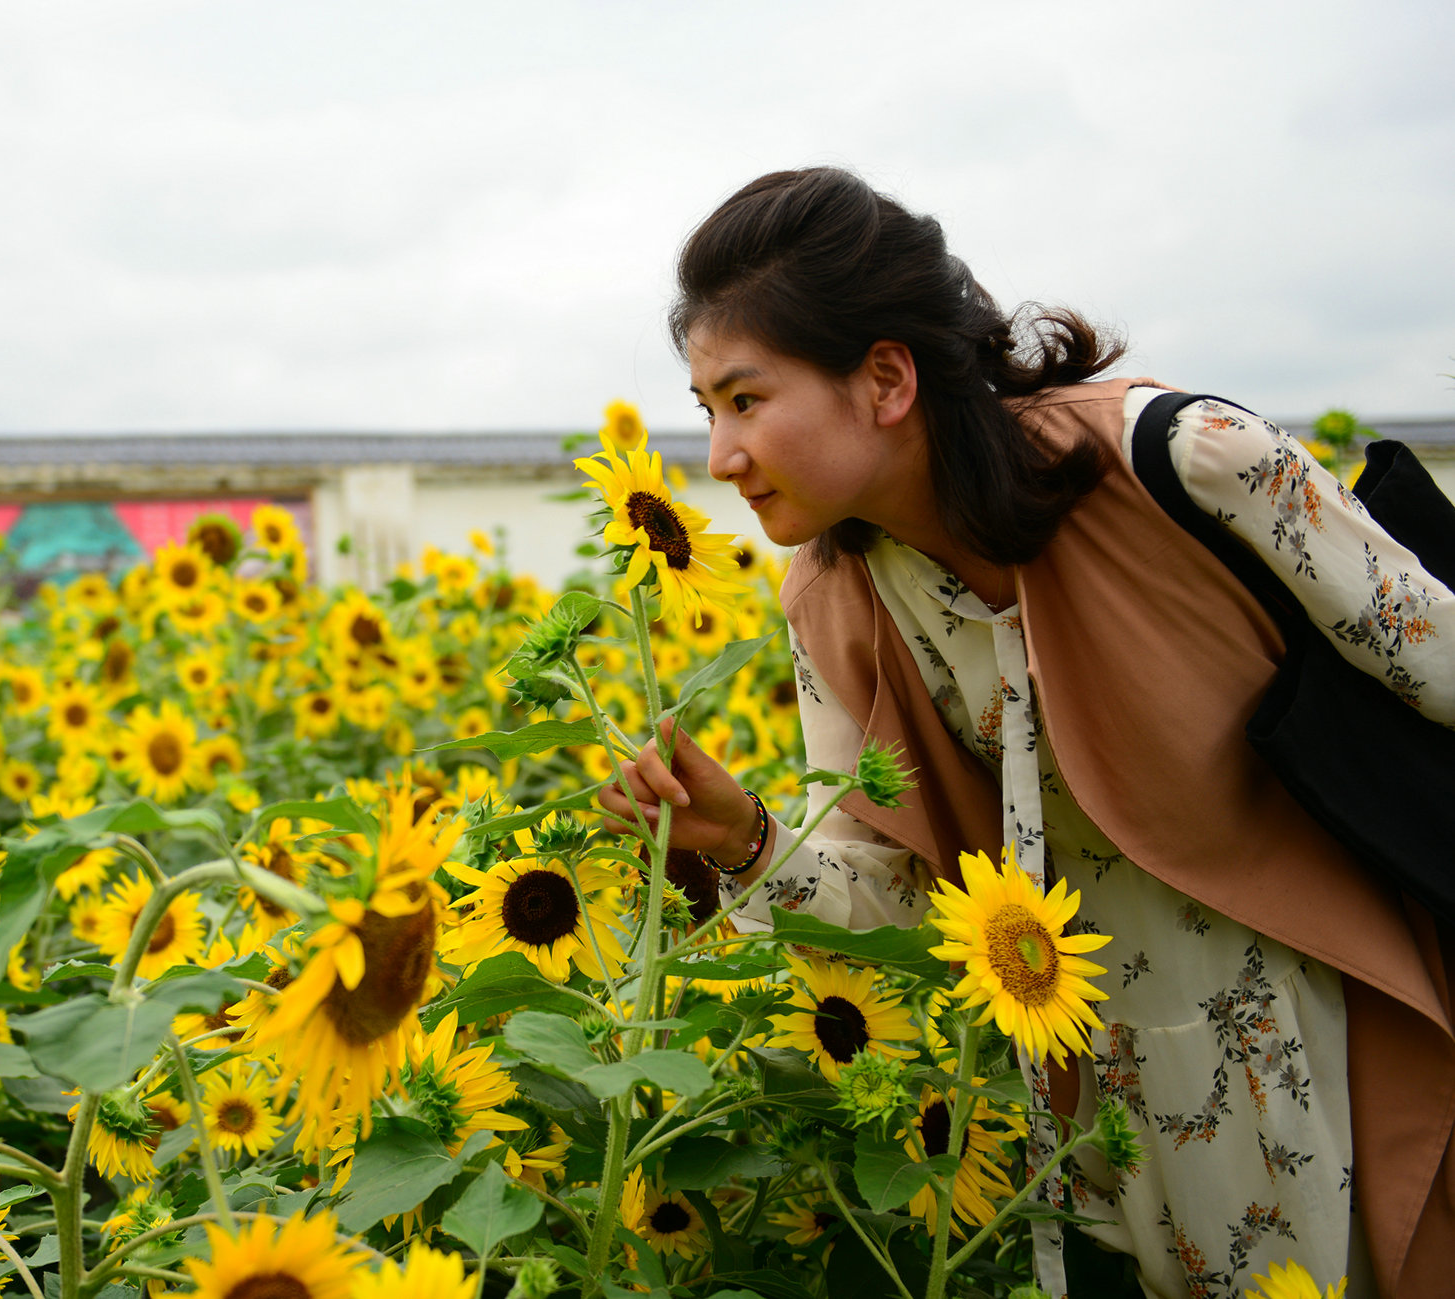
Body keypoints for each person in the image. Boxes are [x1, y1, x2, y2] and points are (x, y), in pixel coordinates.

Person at [596, 167, 1455, 1299]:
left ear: (886, 377)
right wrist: (743, 838)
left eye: (745, 400)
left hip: (1359, 1048)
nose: (718, 456)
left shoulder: (1180, 462)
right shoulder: (836, 603)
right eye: (707, 409)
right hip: (1101, 1146)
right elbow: (910, 905)